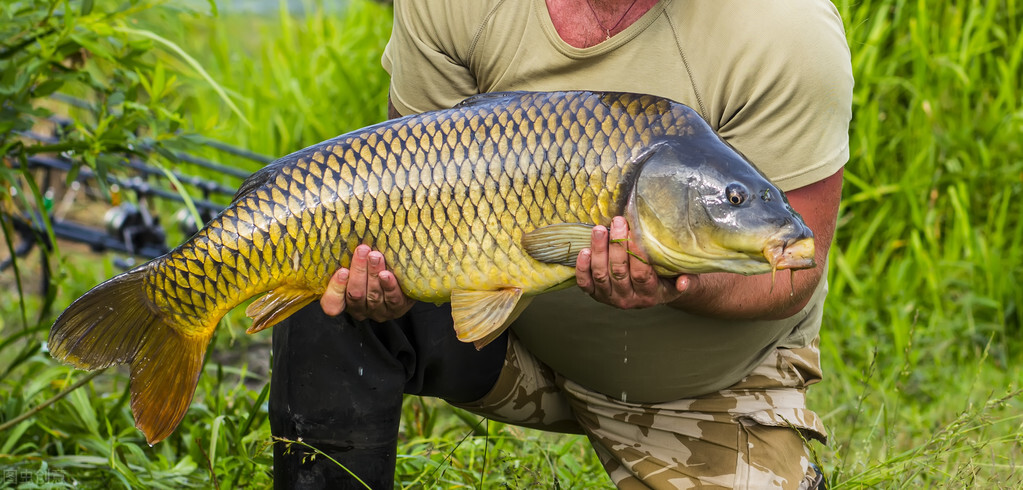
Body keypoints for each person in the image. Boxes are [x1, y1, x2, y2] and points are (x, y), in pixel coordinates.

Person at [268, 0, 853, 488]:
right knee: (327, 276)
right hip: (512, 338)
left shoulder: (785, 31)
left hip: (704, 385)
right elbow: (408, 187)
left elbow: (796, 269)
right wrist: (392, 275)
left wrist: (674, 285)